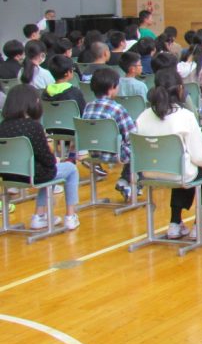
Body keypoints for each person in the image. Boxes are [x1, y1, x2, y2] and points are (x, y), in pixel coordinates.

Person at [135, 68, 202, 239]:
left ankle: (175, 223)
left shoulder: (143, 116)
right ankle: (201, 225)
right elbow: (200, 156)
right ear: (180, 89)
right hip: (178, 173)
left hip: (148, 172)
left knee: (183, 164)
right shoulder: (185, 116)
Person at [0, 83, 81, 230]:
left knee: (50, 171)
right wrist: (55, 158)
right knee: (70, 169)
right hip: (32, 174)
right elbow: (47, 160)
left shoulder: (2, 127)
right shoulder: (33, 127)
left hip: (8, 176)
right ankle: (70, 216)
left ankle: (40, 216)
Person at [81, 67, 138, 202]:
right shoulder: (117, 108)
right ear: (112, 87)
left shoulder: (88, 106)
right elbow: (132, 136)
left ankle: (126, 182)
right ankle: (128, 183)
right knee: (140, 149)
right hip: (114, 154)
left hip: (93, 153)